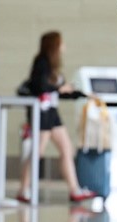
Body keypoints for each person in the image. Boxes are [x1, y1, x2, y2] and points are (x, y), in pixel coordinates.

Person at [17, 31, 98, 204]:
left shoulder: (53, 66)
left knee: (67, 149)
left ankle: (74, 190)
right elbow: (41, 87)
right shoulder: (41, 63)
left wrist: (82, 94)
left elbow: (61, 91)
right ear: (54, 45)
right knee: (37, 152)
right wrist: (60, 89)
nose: (64, 47)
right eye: (61, 43)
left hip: (52, 113)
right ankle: (23, 190)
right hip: (41, 113)